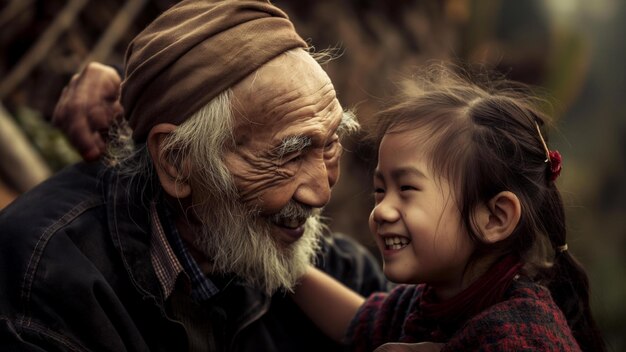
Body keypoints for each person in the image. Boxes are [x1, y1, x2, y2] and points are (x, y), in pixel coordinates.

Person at [0, 1, 388, 351]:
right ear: (176, 160)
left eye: (331, 143)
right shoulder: (44, 290)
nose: (320, 193)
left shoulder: (295, 250)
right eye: (288, 155)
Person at [291, 65, 606, 352]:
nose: (382, 211)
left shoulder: (522, 334)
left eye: (407, 189)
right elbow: (357, 322)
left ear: (495, 217)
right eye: (379, 190)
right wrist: (283, 267)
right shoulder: (427, 299)